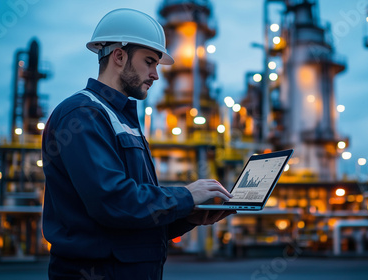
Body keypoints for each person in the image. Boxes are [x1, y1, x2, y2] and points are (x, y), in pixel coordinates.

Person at [41, 8, 234, 280]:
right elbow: (113, 202)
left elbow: (136, 217)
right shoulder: (83, 114)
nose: (156, 74)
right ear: (119, 56)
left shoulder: (122, 120)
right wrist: (186, 196)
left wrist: (188, 215)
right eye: (149, 62)